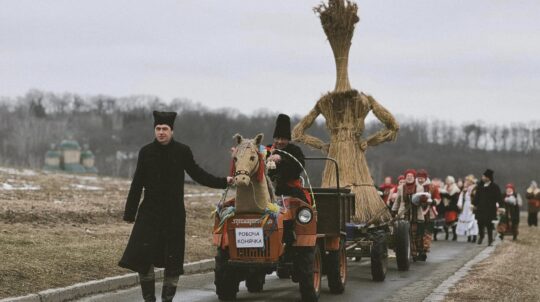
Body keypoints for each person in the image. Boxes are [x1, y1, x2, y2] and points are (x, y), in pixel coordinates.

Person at [118, 111, 233, 302]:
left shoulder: (182, 151)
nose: (161, 132)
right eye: (158, 129)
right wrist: (130, 213)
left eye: (165, 129)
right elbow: (137, 183)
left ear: (172, 130)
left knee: (173, 260)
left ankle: (167, 299)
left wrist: (224, 181)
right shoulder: (146, 152)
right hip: (149, 213)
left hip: (174, 215)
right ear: (154, 130)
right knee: (143, 256)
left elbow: (198, 174)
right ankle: (149, 299)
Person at [266, 114, 310, 204]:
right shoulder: (267, 150)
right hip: (268, 189)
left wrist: (281, 159)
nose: (280, 141)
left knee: (302, 205)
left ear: (288, 139)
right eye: (277, 138)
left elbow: (299, 167)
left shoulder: (295, 150)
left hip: (290, 189)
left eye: (283, 139)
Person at [392, 169, 431, 261]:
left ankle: (419, 252)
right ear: (405, 178)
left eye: (411, 176)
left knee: (417, 235)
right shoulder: (401, 188)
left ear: (414, 178)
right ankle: (411, 253)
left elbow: (423, 201)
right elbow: (398, 200)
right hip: (404, 214)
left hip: (416, 214)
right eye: (407, 177)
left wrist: (423, 200)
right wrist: (393, 211)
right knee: (406, 234)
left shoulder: (419, 187)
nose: (409, 178)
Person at [472, 169, 501, 246]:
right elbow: (476, 196)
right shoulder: (480, 186)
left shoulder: (494, 187)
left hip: (490, 208)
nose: (482, 177)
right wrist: (474, 204)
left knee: (489, 224)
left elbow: (499, 197)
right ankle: (481, 235)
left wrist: (501, 206)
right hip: (480, 208)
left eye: (484, 176)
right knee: (480, 223)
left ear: (488, 177)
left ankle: (490, 239)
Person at [416, 169, 440, 254]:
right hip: (417, 211)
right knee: (418, 231)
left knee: (428, 231)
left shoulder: (432, 187)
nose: (420, 180)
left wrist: (433, 201)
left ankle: (425, 248)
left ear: (426, 178)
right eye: (419, 178)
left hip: (429, 212)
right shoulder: (414, 186)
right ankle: (418, 247)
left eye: (422, 178)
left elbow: (438, 199)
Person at [456, 175, 479, 243]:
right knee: (466, 220)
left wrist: (475, 205)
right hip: (466, 206)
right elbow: (461, 197)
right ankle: (469, 235)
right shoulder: (465, 190)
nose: (466, 182)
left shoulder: (475, 188)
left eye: (468, 181)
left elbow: (477, 197)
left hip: (472, 206)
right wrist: (460, 204)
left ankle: (474, 235)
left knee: (473, 220)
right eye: (466, 181)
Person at [440, 176, 461, 241]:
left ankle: (455, 235)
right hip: (446, 206)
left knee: (453, 221)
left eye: (448, 180)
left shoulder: (455, 188)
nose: (447, 181)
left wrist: (445, 194)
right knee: (446, 222)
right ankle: (447, 234)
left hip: (452, 207)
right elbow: (442, 195)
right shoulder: (445, 187)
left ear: (451, 181)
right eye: (446, 180)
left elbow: (453, 197)